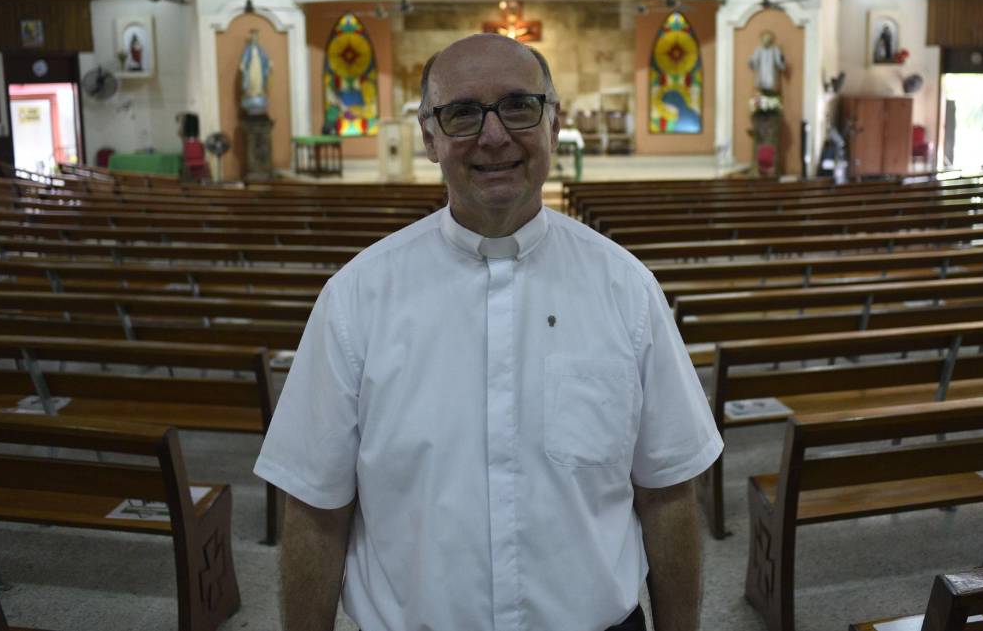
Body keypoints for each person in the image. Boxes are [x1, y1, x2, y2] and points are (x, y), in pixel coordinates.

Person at [254, 33, 723, 631]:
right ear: (430, 137)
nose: (494, 135)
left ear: (553, 123)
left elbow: (668, 492)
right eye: (463, 113)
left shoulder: (627, 291)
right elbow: (316, 507)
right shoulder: (357, 300)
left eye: (519, 106)